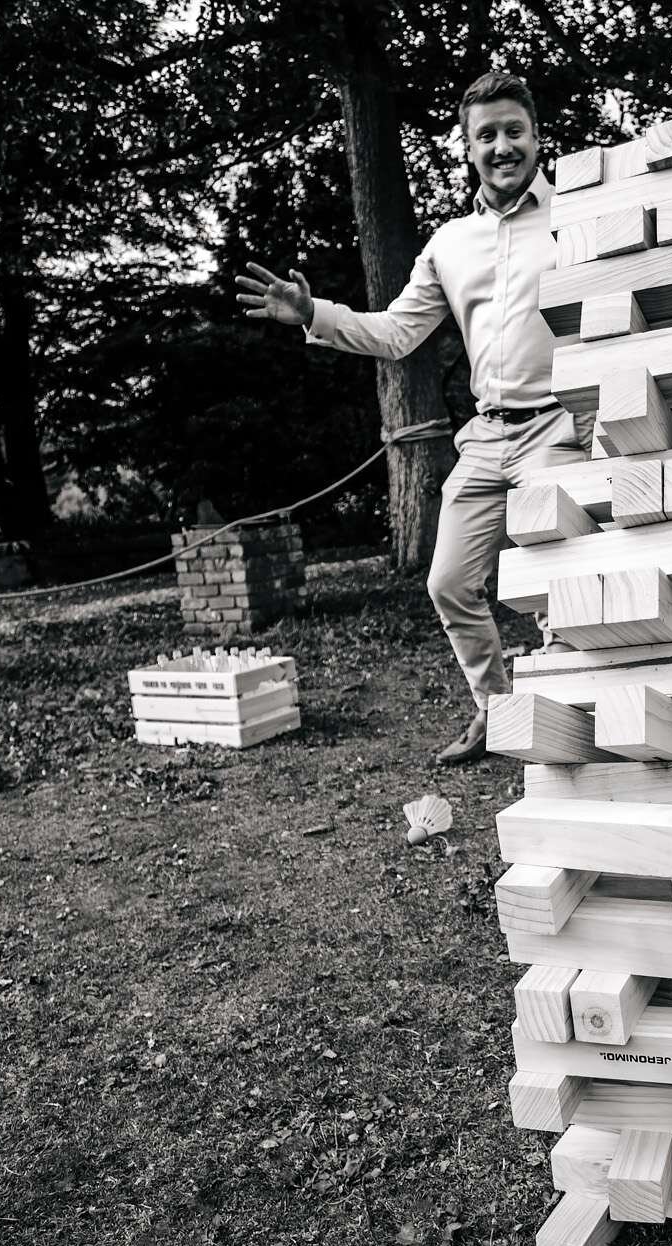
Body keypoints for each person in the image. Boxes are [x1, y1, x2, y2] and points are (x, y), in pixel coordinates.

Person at [237, 71, 586, 766]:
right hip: (488, 434)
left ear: (539, 139)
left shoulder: (582, 214)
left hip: (560, 424)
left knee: (554, 577)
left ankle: (569, 715)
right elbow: (398, 333)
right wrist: (313, 314)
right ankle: (495, 709)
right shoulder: (450, 244)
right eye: (485, 135)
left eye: (514, 131)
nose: (502, 146)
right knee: (448, 582)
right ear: (467, 150)